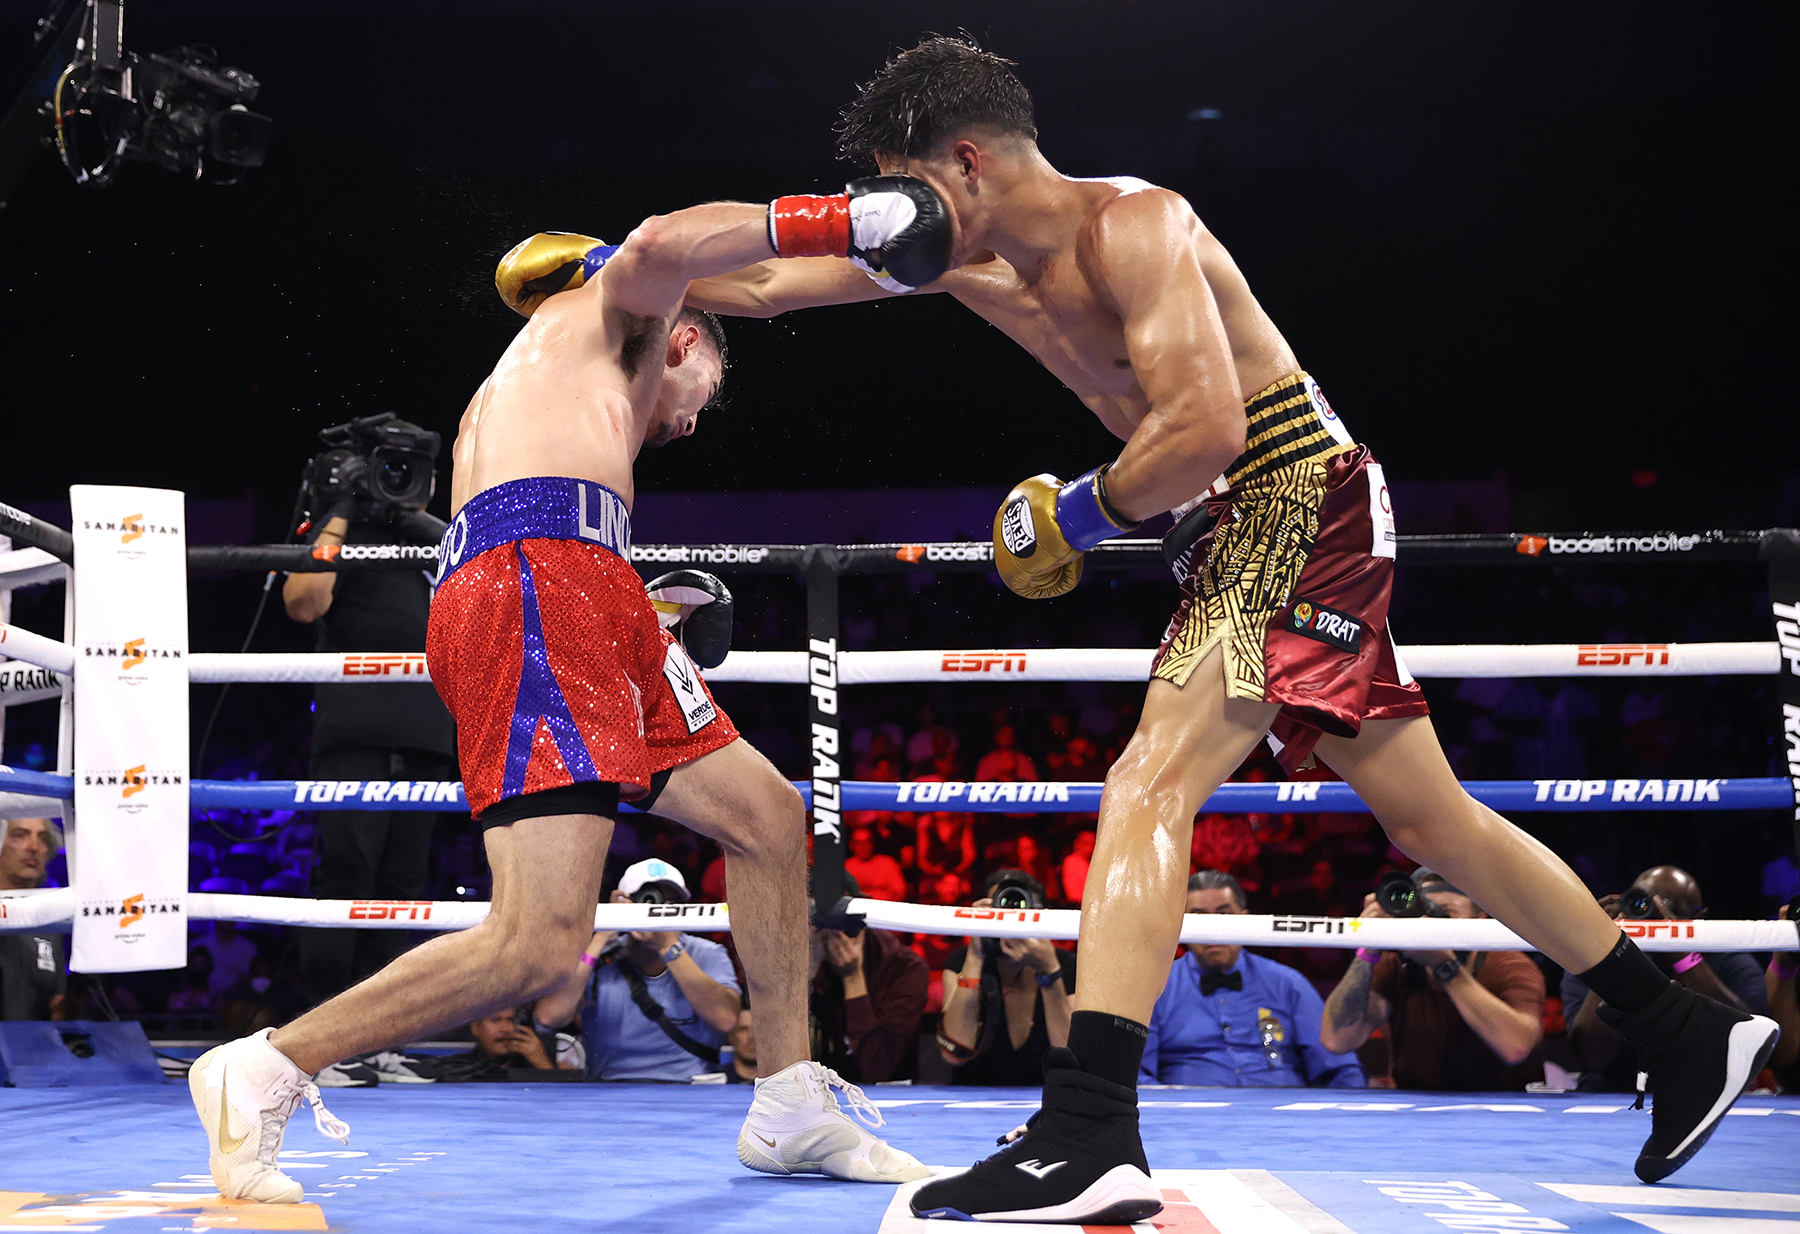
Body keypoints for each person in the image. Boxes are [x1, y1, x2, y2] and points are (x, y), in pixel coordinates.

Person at [669, 35, 1778, 1216]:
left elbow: (1205, 429)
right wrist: (620, 267)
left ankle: (1090, 1124)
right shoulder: (966, 261)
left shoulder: (1136, 225)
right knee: (1430, 818)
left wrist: (1072, 515)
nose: (900, 221)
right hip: (1234, 524)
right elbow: (768, 278)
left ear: (969, 163)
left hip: (1290, 491)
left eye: (907, 190)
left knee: (1149, 781)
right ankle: (1681, 1026)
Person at [186, 180, 951, 1203]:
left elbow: (769, 286)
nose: (690, 426)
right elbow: (667, 243)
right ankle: (267, 1065)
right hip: (539, 577)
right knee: (540, 940)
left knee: (769, 819)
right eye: (705, 396)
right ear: (687, 341)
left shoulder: (580, 363)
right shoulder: (623, 305)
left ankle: (788, 1101)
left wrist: (925, 267)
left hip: (587, 582)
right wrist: (853, 219)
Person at [282, 417, 460, 1007]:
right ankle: (322, 1031)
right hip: (354, 735)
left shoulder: (441, 543)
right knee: (346, 875)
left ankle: (383, 1031)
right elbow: (302, 604)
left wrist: (418, 521)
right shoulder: (341, 537)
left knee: (403, 888)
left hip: (427, 737)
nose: (399, 479)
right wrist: (338, 510)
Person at [1320, 870, 1546, 1091]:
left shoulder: (1509, 965)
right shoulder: (1396, 963)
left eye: (1445, 914)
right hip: (1414, 1104)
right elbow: (1336, 1041)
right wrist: (1368, 949)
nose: (1431, 924)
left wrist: (1445, 967)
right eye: (1425, 911)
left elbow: (1515, 1048)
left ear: (1480, 918)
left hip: (1503, 1104)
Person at [1142, 872, 1362, 1088]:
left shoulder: (1287, 984)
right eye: (1200, 917)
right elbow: (1137, 1075)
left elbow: (1341, 1070)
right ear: (1181, 924)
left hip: (1281, 1107)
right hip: (1187, 1108)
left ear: (1245, 921)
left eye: (1224, 916)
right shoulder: (1156, 986)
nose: (1213, 929)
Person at [1564, 866, 1773, 1092]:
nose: (1655, 920)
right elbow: (1592, 1057)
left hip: (1705, 1090)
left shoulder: (1728, 960)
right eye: (1644, 906)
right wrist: (1612, 952)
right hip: (1611, 1091)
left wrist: (1682, 954)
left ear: (1699, 918)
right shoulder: (1591, 960)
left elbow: (1751, 1045)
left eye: (1672, 910)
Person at [533, 860, 743, 1083]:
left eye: (671, 902)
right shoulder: (598, 956)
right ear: (624, 903)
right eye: (649, 899)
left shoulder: (706, 954)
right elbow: (548, 1017)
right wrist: (602, 935)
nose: (658, 910)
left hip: (692, 1085)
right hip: (609, 1087)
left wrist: (669, 948)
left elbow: (726, 1020)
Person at [937, 870, 1076, 1086]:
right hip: (973, 1098)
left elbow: (1070, 1057)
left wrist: (1049, 970)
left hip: (1047, 1097)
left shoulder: (1067, 966)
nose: (1011, 916)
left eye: (1020, 906)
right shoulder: (961, 961)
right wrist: (975, 956)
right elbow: (954, 1053)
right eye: (1000, 906)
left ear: (1040, 914)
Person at [810, 874, 929, 1084]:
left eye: (840, 920)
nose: (832, 935)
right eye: (820, 922)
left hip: (886, 1094)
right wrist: (806, 970)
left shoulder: (903, 968)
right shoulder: (799, 963)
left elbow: (877, 1069)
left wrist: (852, 977)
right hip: (815, 1090)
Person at [0, 816, 66, 1021]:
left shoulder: (50, 921)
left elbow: (57, 1008)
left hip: (34, 1040)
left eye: (43, 839)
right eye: (19, 836)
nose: (34, 847)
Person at [843, 826, 909, 903]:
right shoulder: (846, 867)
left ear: (872, 844)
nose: (863, 847)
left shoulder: (888, 863)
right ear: (851, 845)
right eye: (859, 843)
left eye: (866, 842)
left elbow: (900, 892)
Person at [724, 1005, 759, 1084]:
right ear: (731, 1037)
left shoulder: (783, 1081)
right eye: (743, 1029)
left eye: (758, 1029)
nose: (751, 1036)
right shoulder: (716, 1080)